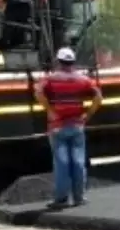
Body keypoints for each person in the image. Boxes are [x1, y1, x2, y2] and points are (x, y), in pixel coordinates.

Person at [34, 47, 103, 209]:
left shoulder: (51, 79)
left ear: (59, 62)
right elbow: (98, 97)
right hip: (77, 126)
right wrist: (87, 115)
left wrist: (50, 111)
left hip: (57, 127)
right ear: (73, 62)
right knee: (78, 162)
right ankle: (79, 197)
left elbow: (38, 92)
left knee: (62, 163)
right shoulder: (83, 80)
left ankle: (61, 199)